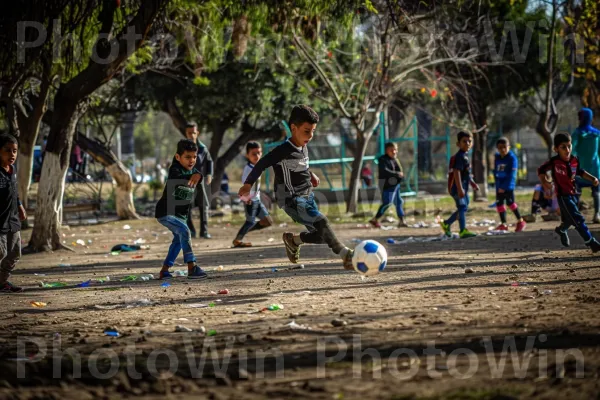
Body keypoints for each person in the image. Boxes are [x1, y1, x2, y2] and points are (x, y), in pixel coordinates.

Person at [238, 105, 354, 269]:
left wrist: (310, 174)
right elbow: (262, 163)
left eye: (313, 131)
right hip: (291, 199)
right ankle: (345, 254)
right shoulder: (283, 150)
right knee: (322, 221)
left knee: (323, 235)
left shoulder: (303, 145)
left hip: (307, 196)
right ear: (294, 128)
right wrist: (248, 183)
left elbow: (301, 165)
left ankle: (294, 240)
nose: (311, 135)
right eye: (307, 131)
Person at [155, 139, 208, 280]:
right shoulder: (175, 169)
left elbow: (198, 176)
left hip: (180, 215)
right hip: (166, 212)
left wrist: (200, 175)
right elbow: (179, 177)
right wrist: (196, 175)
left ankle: (165, 270)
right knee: (185, 231)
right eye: (187, 157)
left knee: (178, 240)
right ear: (178, 157)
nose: (192, 160)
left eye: (194, 157)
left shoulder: (193, 171)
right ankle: (192, 267)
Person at [538, 132, 600, 252]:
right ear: (556, 149)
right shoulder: (554, 162)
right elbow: (541, 169)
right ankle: (591, 242)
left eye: (569, 146)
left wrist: (593, 179)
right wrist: (544, 181)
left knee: (569, 219)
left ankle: (561, 230)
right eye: (563, 147)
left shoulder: (574, 160)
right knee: (577, 218)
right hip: (562, 196)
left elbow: (580, 172)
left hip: (573, 194)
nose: (567, 149)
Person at [232, 142, 274, 247]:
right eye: (253, 154)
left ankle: (244, 232)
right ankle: (238, 240)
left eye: (259, 153)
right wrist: (246, 198)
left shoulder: (257, 166)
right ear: (247, 155)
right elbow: (245, 185)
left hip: (257, 199)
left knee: (268, 221)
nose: (257, 156)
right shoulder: (248, 169)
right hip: (250, 200)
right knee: (250, 222)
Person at [0, 134, 27, 293]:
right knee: (1, 251)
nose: (12, 154)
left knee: (15, 252)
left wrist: (20, 206)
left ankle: (2, 282)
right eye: (7, 150)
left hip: (12, 219)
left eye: (14, 151)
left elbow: (14, 191)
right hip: (0, 220)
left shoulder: (12, 170)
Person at [440, 131, 479, 239]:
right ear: (458, 144)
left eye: (469, 141)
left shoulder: (465, 156)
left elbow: (466, 174)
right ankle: (462, 230)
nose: (467, 143)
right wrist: (460, 189)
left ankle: (447, 223)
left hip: (463, 187)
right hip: (457, 188)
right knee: (462, 207)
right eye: (464, 141)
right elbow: (456, 172)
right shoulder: (460, 156)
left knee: (464, 207)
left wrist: (473, 184)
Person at [180, 122, 214, 239]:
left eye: (193, 133)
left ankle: (204, 232)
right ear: (186, 133)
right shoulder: (182, 148)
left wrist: (209, 174)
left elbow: (209, 161)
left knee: (203, 206)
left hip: (200, 181)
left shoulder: (203, 148)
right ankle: (191, 231)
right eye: (189, 133)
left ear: (197, 133)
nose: (191, 135)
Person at [572, 107, 600, 223]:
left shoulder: (577, 133)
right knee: (596, 191)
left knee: (577, 191)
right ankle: (597, 214)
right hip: (595, 167)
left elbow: (572, 149)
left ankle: (576, 215)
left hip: (581, 168)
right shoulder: (597, 134)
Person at [369, 142, 407, 228]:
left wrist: (400, 176)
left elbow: (400, 171)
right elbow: (385, 171)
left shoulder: (395, 160)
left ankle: (402, 220)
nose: (394, 152)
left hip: (395, 185)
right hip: (387, 186)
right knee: (387, 203)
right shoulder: (383, 160)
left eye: (395, 150)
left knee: (399, 202)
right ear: (387, 150)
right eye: (391, 150)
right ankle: (375, 219)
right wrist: (397, 174)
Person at [493, 137, 526, 232]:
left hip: (508, 186)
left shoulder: (512, 158)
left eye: (504, 147)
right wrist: (499, 186)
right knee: (499, 203)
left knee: (510, 202)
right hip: (499, 186)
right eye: (500, 148)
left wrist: (504, 187)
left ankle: (521, 221)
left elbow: (512, 175)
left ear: (509, 147)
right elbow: (496, 171)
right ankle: (504, 224)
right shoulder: (497, 157)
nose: (502, 150)